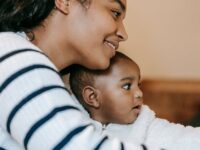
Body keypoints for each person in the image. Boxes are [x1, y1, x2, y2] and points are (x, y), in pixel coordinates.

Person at [0, 0, 163, 149]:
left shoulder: (61, 87)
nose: (123, 34)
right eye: (115, 13)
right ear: (64, 2)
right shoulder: (13, 54)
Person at [69, 51, 200, 150]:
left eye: (139, 85)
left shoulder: (148, 126)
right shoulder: (71, 126)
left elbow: (187, 138)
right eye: (127, 86)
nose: (139, 93)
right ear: (93, 97)